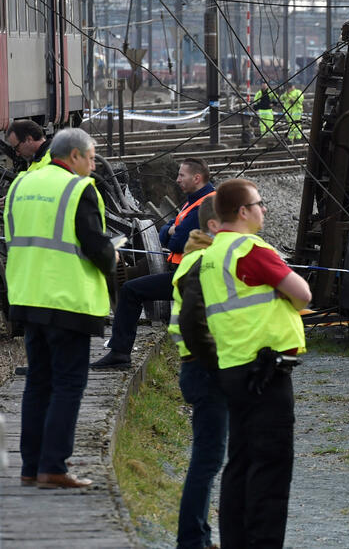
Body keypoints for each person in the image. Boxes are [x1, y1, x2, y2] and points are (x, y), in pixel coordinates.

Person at [180, 177, 310, 547]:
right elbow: (303, 294)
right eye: (258, 204)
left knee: (239, 462)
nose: (263, 209)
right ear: (242, 212)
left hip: (232, 368)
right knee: (270, 467)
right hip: (266, 371)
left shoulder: (210, 255)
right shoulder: (251, 248)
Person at [5, 128, 117, 488]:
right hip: (67, 300)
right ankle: (53, 467)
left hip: (28, 297)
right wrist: (112, 256)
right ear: (74, 156)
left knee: (37, 383)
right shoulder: (78, 189)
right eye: (91, 157)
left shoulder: (21, 185)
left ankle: (30, 467)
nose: (94, 164)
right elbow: (95, 245)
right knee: (68, 384)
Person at [92, 158, 215, 369]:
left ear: (197, 178)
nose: (177, 180)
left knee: (131, 290)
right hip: (188, 274)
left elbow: (177, 242)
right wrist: (171, 231)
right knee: (132, 290)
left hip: (194, 276)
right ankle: (119, 352)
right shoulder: (196, 200)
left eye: (182, 175)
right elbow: (165, 233)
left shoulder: (205, 205)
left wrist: (172, 232)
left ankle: (120, 353)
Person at [168, 195, 229, 549]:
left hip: (195, 365)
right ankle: (192, 539)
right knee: (207, 459)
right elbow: (196, 321)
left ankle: (199, 535)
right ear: (214, 226)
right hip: (204, 368)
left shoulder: (197, 256)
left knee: (208, 458)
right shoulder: (205, 261)